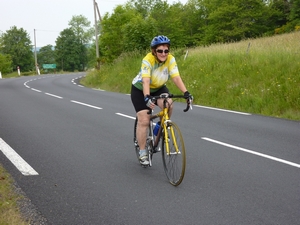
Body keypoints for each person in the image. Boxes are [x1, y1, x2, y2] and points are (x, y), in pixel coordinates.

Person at [131, 35, 193, 166]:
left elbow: (176, 77)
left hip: (159, 87)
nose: (163, 53)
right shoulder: (148, 60)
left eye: (166, 50)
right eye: (160, 51)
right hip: (140, 89)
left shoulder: (170, 59)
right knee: (144, 119)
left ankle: (159, 127)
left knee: (169, 104)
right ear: (154, 51)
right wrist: (147, 97)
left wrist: (186, 93)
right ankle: (142, 152)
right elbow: (146, 80)